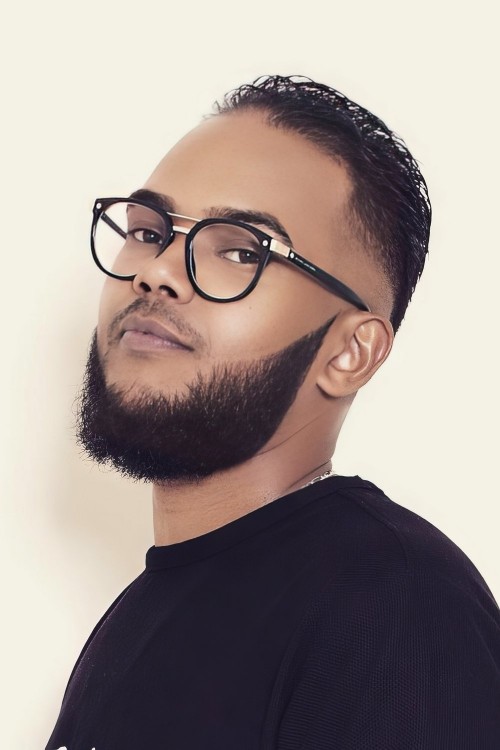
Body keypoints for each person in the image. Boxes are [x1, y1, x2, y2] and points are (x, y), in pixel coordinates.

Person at [45, 75, 500, 749]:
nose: (157, 270)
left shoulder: (393, 605)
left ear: (349, 352)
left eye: (240, 251)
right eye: (148, 231)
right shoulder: (145, 609)